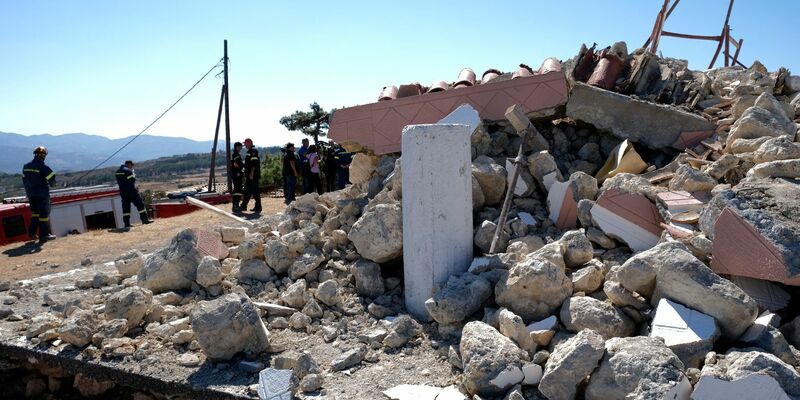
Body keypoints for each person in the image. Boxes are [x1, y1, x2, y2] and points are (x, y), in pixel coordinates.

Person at [22, 146, 57, 243]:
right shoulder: (44, 167)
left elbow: (24, 180)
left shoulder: (26, 166)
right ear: (44, 156)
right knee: (44, 215)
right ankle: (44, 236)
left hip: (31, 195)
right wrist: (52, 183)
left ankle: (32, 234)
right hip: (42, 195)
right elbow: (52, 182)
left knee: (35, 214)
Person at [114, 160, 152, 229]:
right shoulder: (128, 171)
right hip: (131, 191)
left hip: (123, 192)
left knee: (126, 208)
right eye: (131, 166)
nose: (131, 167)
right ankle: (145, 220)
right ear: (129, 164)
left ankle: (127, 224)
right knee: (140, 205)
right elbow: (132, 180)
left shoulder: (117, 171)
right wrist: (133, 174)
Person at [240, 138, 262, 213]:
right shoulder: (250, 151)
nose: (245, 145)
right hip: (250, 175)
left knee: (254, 191)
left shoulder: (253, 151)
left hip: (253, 175)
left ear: (249, 143)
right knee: (248, 190)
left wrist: (251, 173)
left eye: (245, 143)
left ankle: (256, 207)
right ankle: (244, 206)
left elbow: (254, 163)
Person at [230, 142, 244, 212]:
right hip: (236, 175)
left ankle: (236, 205)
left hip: (236, 174)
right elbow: (236, 164)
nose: (241, 148)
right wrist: (238, 171)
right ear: (237, 147)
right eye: (240, 147)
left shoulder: (235, 154)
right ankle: (235, 206)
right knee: (237, 190)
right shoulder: (236, 155)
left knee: (238, 189)